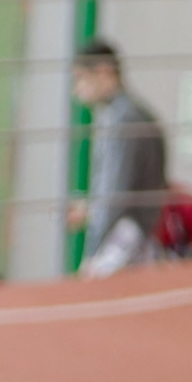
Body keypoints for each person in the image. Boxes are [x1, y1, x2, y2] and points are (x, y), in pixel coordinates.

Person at [69, 38, 168, 276]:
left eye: (81, 78)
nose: (77, 90)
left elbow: (116, 189)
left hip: (123, 235)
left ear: (104, 72)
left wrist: (94, 251)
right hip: (133, 231)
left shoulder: (123, 119)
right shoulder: (128, 114)